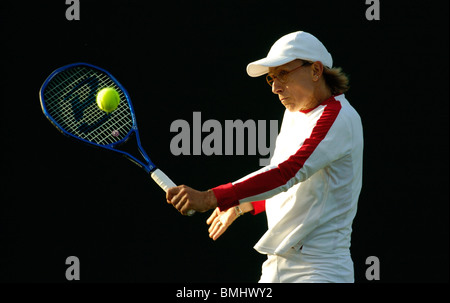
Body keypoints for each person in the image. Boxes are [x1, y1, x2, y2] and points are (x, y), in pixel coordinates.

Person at [166, 31, 363, 283]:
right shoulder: (294, 112)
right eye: (271, 78)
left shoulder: (338, 118)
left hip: (319, 270)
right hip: (276, 267)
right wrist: (241, 206)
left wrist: (210, 197)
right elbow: (295, 185)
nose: (275, 87)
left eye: (283, 74)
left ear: (315, 70)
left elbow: (286, 172)